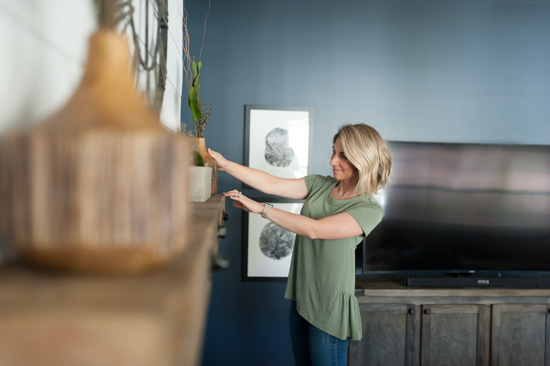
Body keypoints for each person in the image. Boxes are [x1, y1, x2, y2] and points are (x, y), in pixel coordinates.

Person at [208, 123, 392, 366]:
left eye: (343, 155)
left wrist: (262, 209)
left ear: (362, 158)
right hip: (301, 296)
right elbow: (272, 184)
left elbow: (314, 230)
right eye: (333, 151)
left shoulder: (368, 209)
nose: (332, 160)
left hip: (329, 304)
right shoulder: (321, 184)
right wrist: (225, 164)